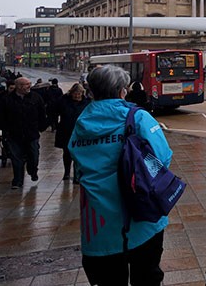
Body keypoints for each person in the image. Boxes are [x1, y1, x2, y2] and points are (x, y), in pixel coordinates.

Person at [69, 64, 173, 286]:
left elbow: (77, 162)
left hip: (98, 221)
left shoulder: (82, 122)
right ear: (121, 91)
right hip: (140, 215)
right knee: (146, 277)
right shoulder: (138, 117)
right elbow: (163, 158)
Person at [0, 77, 47, 189]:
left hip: (31, 133)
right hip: (14, 134)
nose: (29, 86)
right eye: (26, 84)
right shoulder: (7, 99)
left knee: (34, 156)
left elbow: (42, 113)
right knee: (16, 158)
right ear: (18, 86)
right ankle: (17, 180)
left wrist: (42, 127)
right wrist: (5, 129)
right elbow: (0, 116)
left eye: (29, 84)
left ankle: (32, 171)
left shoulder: (36, 97)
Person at [54, 83, 90, 182]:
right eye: (75, 93)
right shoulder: (64, 101)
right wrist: (56, 125)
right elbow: (55, 112)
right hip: (66, 130)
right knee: (67, 152)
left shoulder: (87, 102)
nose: (77, 96)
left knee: (78, 154)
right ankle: (66, 172)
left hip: (81, 132)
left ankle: (77, 175)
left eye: (79, 94)